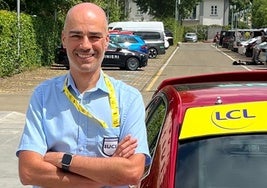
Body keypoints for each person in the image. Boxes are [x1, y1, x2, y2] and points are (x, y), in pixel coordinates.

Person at [16, 2, 151, 188]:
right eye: (76, 36)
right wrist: (105, 175)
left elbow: (132, 173)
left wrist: (63, 160)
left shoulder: (128, 99)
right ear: (64, 39)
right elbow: (29, 171)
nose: (85, 45)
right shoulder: (42, 96)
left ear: (106, 40)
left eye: (94, 36)